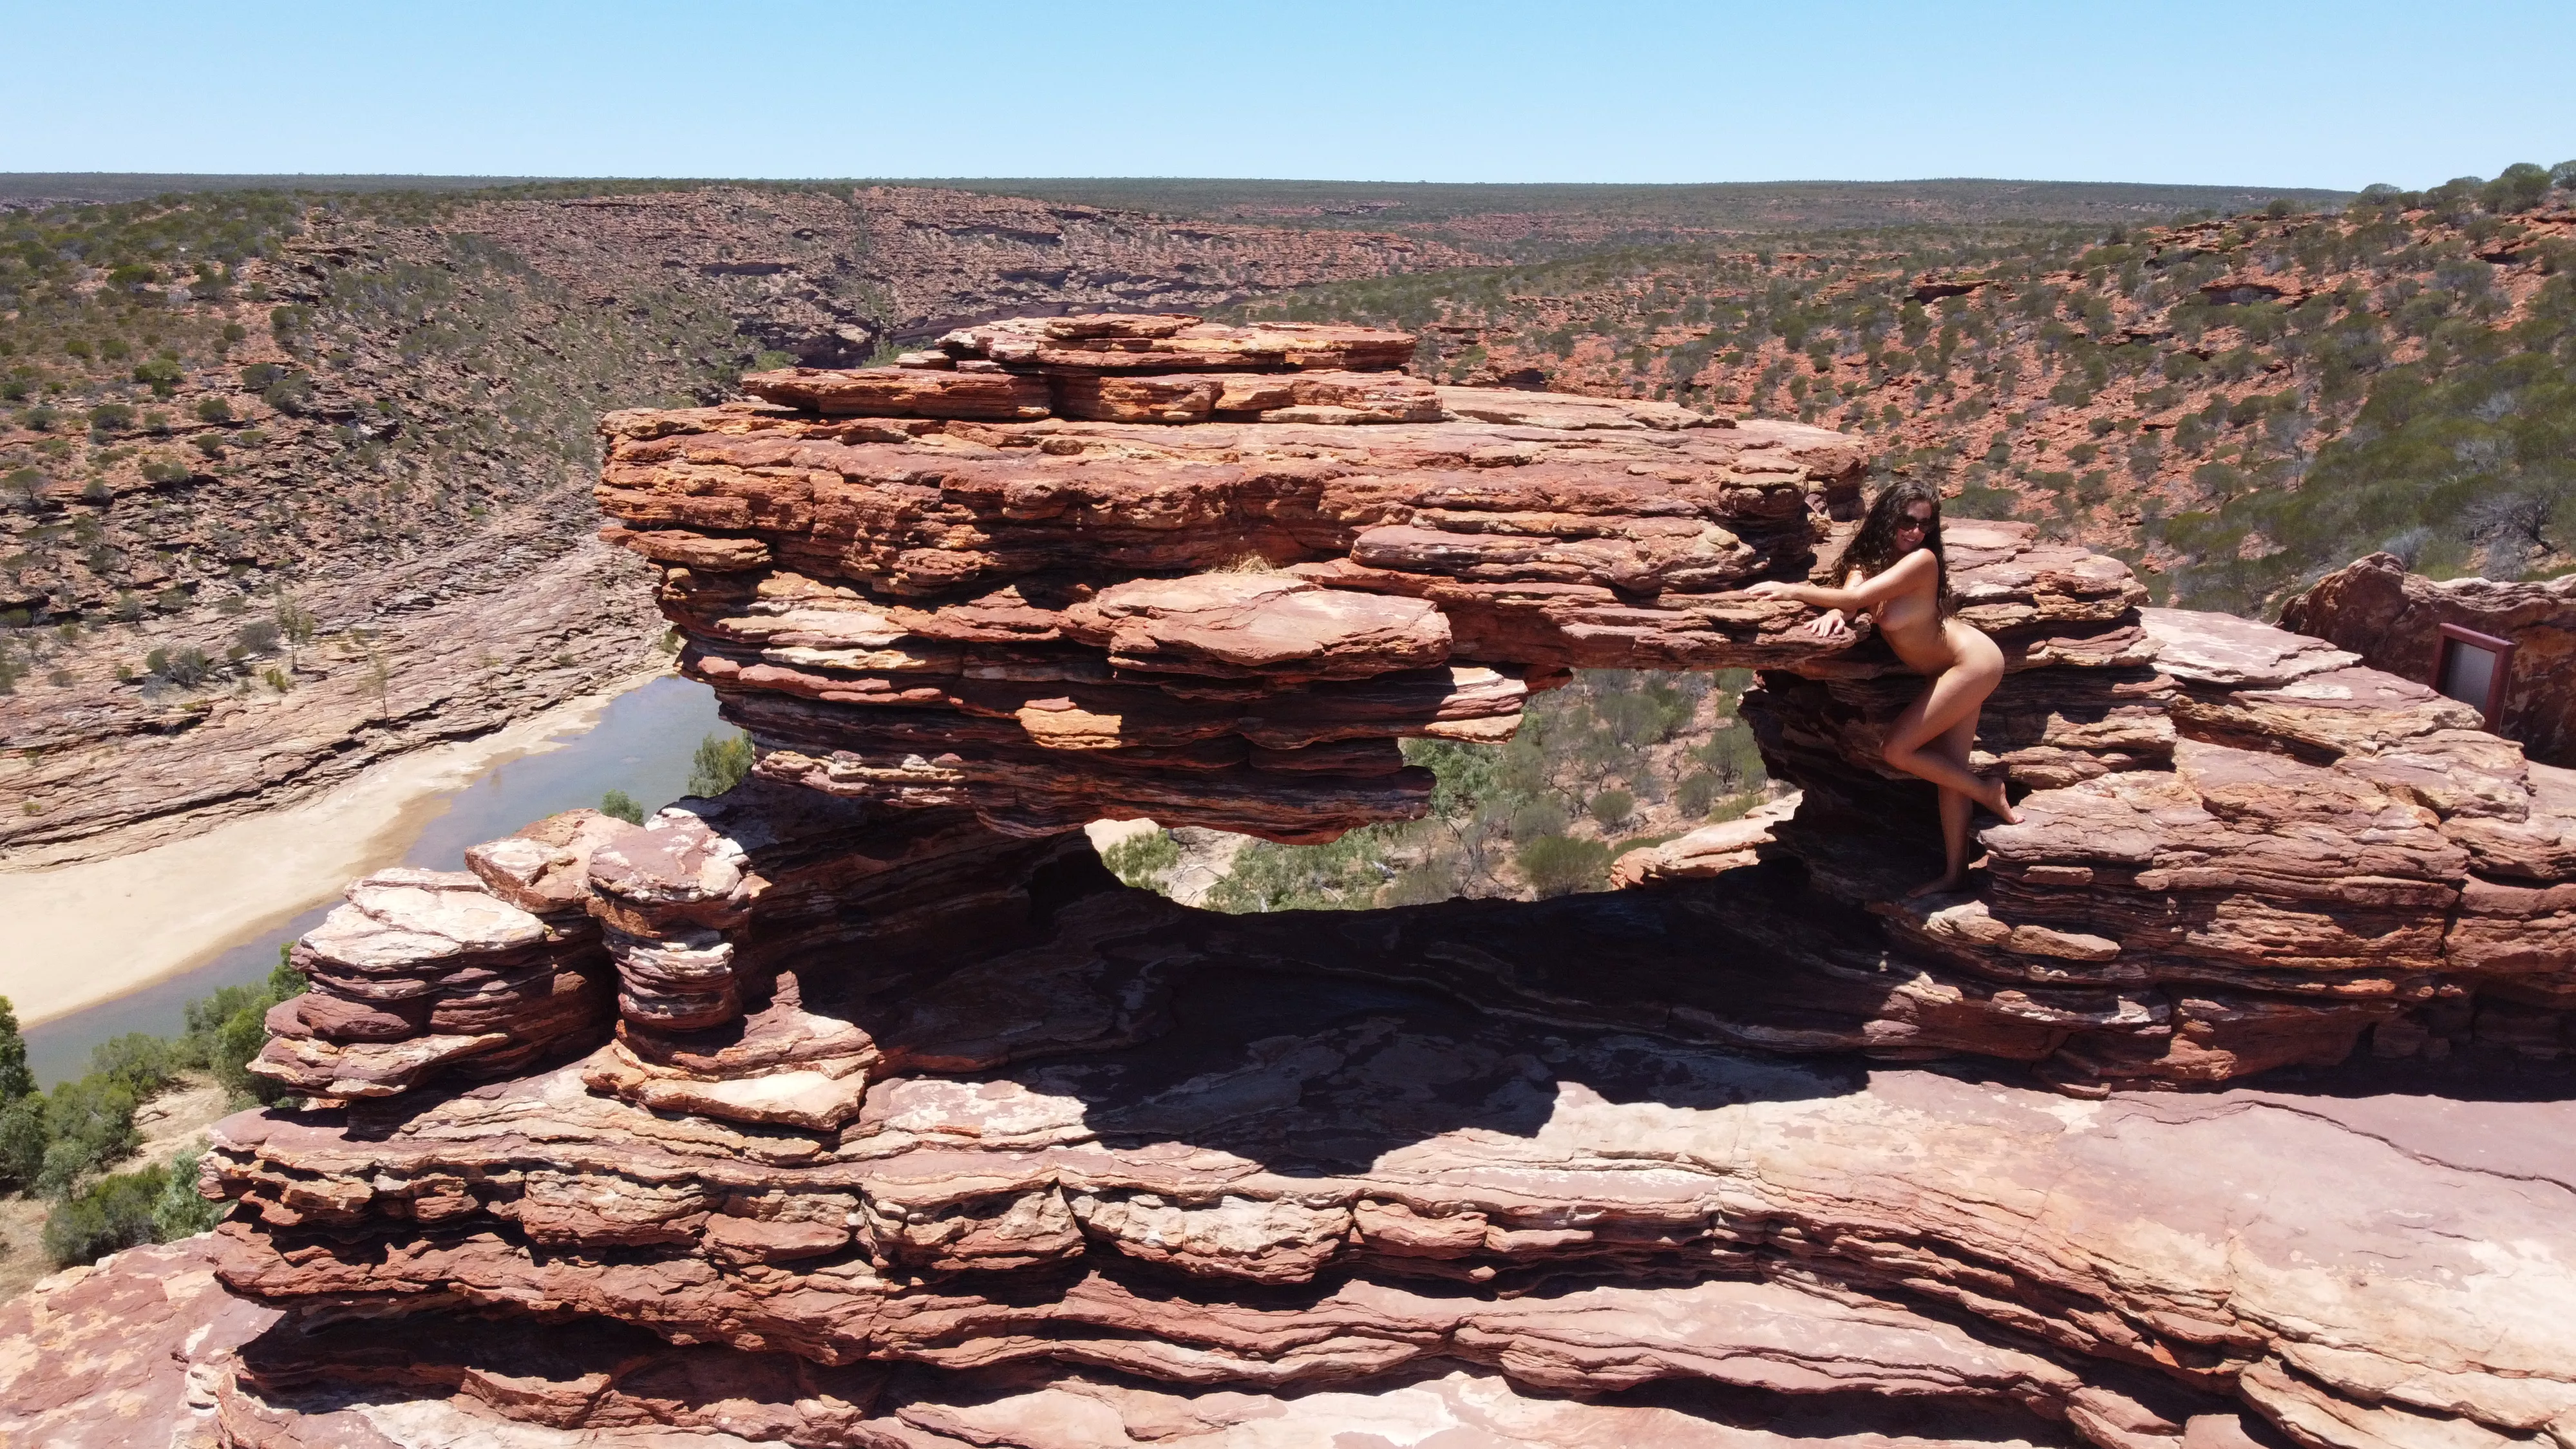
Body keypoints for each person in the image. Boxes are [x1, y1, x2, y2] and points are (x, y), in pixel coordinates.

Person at [1745, 481, 2018, 895]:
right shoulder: (1869, 559)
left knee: (1898, 749)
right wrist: (1839, 611)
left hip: (1973, 663)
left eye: (1925, 524)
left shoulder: (1923, 561)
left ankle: (1988, 791)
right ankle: (1955, 874)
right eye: (1907, 520)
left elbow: (1866, 594)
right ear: (1888, 516)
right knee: (1950, 772)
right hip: (1946, 670)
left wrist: (1790, 590)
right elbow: (1853, 597)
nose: (1916, 531)